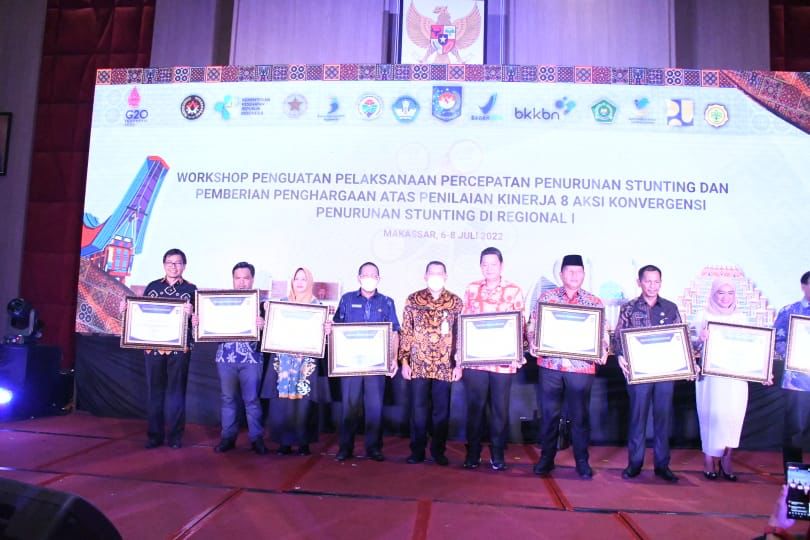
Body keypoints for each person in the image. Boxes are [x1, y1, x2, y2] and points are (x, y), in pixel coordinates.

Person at [530, 254, 608, 480]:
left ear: (584, 274)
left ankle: (582, 462)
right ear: (561, 274)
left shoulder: (594, 302)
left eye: (578, 271)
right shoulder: (547, 297)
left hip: (580, 367)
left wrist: (603, 349)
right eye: (569, 271)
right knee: (549, 415)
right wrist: (533, 341)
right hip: (551, 364)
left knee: (579, 416)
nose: (574, 275)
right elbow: (533, 325)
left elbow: (602, 333)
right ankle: (546, 459)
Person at [695, 277, 770, 481]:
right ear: (713, 294)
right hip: (711, 378)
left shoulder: (742, 318)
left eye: (730, 293)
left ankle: (727, 459)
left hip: (736, 378)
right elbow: (692, 347)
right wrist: (700, 338)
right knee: (711, 417)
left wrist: (763, 370)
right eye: (721, 293)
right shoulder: (703, 315)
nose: (725, 297)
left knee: (733, 418)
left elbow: (752, 348)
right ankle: (708, 460)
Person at [613, 264, 682, 483]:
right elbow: (618, 337)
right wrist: (620, 355)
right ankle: (635, 463)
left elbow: (679, 338)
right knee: (638, 417)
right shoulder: (629, 308)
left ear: (661, 283)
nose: (652, 286)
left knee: (663, 418)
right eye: (648, 281)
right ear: (639, 282)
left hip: (665, 372)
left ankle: (662, 465)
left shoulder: (670, 308)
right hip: (638, 372)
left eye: (656, 281)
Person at [460, 247, 525, 471]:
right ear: (480, 267)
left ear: (501, 266)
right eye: (485, 265)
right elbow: (464, 321)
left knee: (499, 410)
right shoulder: (471, 288)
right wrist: (461, 355)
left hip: (503, 361)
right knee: (475, 409)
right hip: (475, 360)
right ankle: (473, 453)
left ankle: (497, 455)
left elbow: (519, 324)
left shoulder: (514, 290)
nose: (489, 268)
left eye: (493, 264)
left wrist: (517, 353)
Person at [193, 262, 267, 455]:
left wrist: (264, 325)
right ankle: (228, 437)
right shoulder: (221, 302)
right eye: (237, 278)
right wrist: (199, 322)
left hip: (251, 359)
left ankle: (256, 438)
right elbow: (208, 326)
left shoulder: (262, 304)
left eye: (246, 278)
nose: (242, 282)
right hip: (225, 357)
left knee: (252, 400)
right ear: (233, 279)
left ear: (252, 280)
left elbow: (272, 333)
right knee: (227, 399)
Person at [333, 261, 400, 462]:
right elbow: (336, 326)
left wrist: (394, 358)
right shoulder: (347, 299)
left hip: (376, 364)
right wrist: (329, 328)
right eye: (365, 275)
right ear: (359, 278)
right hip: (350, 364)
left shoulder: (387, 302)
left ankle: (374, 448)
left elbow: (394, 332)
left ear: (378, 279)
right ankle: (345, 448)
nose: (369, 278)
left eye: (373, 275)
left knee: (374, 407)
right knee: (349, 406)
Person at [398, 260, 463, 466]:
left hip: (445, 365)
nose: (435, 276)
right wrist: (404, 361)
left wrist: (459, 364)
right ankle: (417, 451)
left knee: (441, 411)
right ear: (425, 276)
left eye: (439, 273)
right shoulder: (413, 299)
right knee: (418, 410)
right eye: (432, 273)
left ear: (446, 276)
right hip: (418, 364)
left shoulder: (455, 302)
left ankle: (438, 451)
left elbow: (461, 335)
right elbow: (406, 332)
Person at [262, 267, 331, 456]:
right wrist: (269, 315)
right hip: (284, 361)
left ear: (310, 282)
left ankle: (303, 443)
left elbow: (320, 336)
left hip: (306, 362)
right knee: (282, 402)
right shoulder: (281, 304)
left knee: (304, 402)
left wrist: (327, 329)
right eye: (296, 279)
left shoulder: (317, 306)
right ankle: (283, 443)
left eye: (303, 279)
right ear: (291, 282)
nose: (300, 282)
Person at [142, 248, 196, 449]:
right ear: (164, 265)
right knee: (154, 392)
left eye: (178, 263)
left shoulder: (191, 290)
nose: (174, 266)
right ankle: (154, 436)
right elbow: (142, 314)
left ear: (184, 266)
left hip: (180, 349)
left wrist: (193, 314)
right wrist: (127, 311)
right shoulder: (152, 287)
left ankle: (175, 437)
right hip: (153, 348)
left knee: (176, 392)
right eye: (170, 263)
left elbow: (199, 323)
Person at [775, 271, 810, 472]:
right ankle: (793, 474)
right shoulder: (789, 311)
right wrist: (793, 354)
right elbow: (777, 340)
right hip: (798, 381)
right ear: (803, 286)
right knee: (795, 429)